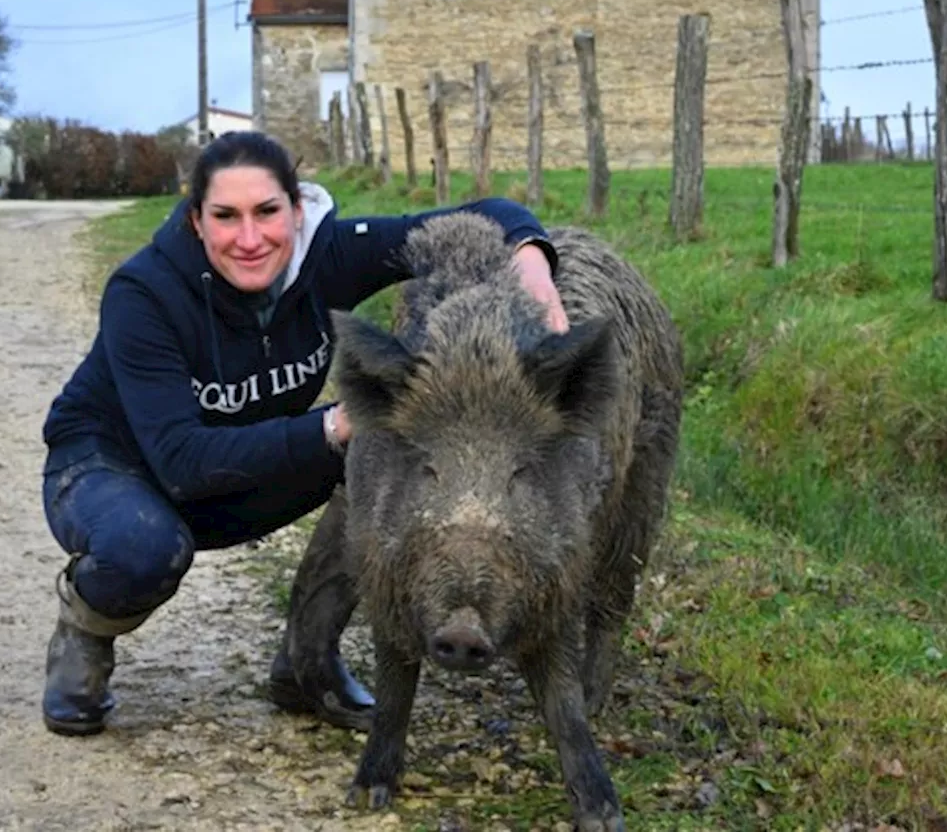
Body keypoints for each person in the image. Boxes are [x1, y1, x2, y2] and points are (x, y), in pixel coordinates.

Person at [37, 130, 569, 737]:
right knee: (143, 546)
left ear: (296, 209)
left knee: (383, 450)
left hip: (235, 462)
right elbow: (181, 462)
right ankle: (85, 629)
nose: (250, 238)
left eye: (267, 212)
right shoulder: (144, 293)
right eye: (225, 217)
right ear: (195, 222)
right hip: (113, 466)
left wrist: (531, 265)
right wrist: (335, 424)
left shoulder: (330, 255)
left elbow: (484, 217)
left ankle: (307, 660)